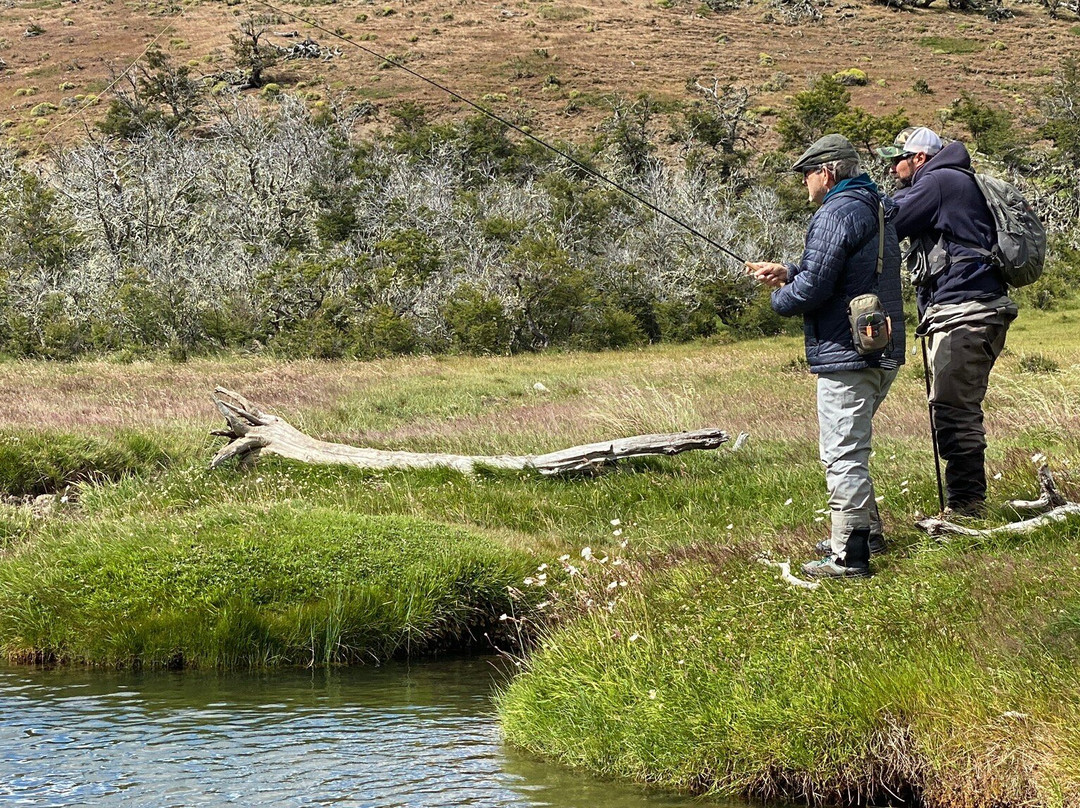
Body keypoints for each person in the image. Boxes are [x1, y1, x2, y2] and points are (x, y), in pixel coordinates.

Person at [748, 134, 905, 579]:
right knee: (851, 447)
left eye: (806, 173)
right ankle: (866, 534)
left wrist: (779, 296)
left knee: (842, 454)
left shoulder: (835, 211)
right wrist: (789, 271)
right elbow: (843, 271)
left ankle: (849, 556)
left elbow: (815, 288)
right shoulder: (875, 205)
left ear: (827, 172)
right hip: (881, 347)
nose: (804, 182)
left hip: (846, 353)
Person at [875, 126, 1018, 518]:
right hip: (970, 310)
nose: (893, 168)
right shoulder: (954, 179)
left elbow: (887, 223)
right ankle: (965, 502)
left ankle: (967, 506)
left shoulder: (937, 181)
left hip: (966, 312)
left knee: (955, 409)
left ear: (919, 158)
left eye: (898, 160)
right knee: (954, 405)